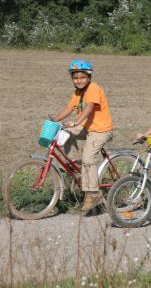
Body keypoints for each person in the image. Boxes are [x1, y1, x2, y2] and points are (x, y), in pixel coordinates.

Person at [51, 59, 113, 214]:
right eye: (75, 77)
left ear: (89, 77)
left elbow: (90, 107)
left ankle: (93, 193)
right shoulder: (78, 93)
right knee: (63, 134)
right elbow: (68, 108)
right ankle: (76, 166)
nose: (79, 80)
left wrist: (76, 122)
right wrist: (54, 120)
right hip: (86, 128)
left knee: (88, 158)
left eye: (82, 77)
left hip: (100, 130)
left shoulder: (93, 88)